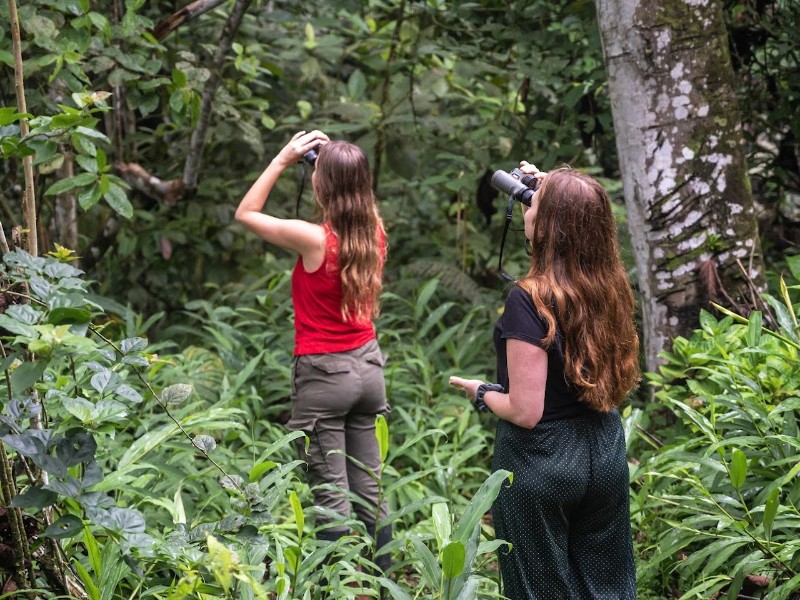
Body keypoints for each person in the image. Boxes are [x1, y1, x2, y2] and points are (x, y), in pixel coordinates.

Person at [449, 163, 640, 599]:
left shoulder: (528, 300)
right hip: (604, 451)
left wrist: (482, 393)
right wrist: (554, 192)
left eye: (534, 205)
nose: (527, 210)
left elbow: (525, 411)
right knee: (606, 586)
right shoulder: (609, 285)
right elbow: (577, 216)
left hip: (543, 459)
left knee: (541, 591)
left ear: (550, 225)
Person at [235, 130, 391, 573]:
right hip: (369, 369)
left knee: (330, 496)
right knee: (371, 491)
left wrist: (284, 159)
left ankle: (330, 587)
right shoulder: (374, 233)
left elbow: (246, 212)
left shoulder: (314, 239)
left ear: (321, 185)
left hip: (325, 376)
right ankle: (384, 583)